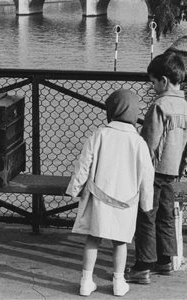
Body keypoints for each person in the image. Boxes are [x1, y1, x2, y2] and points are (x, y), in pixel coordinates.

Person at [66, 89, 154, 297]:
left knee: (93, 239)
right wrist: (146, 204)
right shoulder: (139, 142)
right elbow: (147, 176)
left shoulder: (99, 135)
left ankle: (86, 281)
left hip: (98, 198)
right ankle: (118, 281)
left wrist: (75, 188)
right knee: (120, 242)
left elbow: (83, 164)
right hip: (126, 202)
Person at [125, 51, 187, 284]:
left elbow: (148, 143)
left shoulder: (159, 106)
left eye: (153, 82)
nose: (152, 86)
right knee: (166, 216)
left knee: (146, 215)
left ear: (163, 81)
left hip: (154, 171)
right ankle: (165, 260)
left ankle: (143, 265)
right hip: (173, 172)